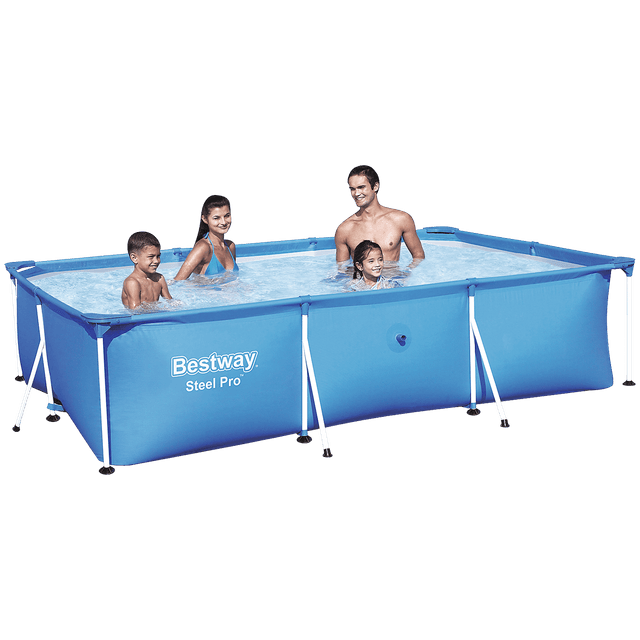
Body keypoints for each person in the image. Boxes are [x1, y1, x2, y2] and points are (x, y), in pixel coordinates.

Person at [335, 164, 425, 269]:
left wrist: (406, 275)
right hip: (363, 279)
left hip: (394, 277)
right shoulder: (345, 229)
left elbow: (419, 256)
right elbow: (342, 269)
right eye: (352, 189)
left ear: (375, 186)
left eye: (361, 187)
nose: (356, 193)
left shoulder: (401, 220)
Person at [174, 194, 238, 280]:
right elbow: (178, 281)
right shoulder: (203, 248)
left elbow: (232, 279)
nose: (223, 222)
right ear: (205, 219)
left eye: (227, 216)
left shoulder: (230, 246)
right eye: (216, 218)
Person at [122, 231, 172, 309]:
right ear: (134, 258)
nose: (156, 261)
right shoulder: (132, 282)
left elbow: (170, 302)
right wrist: (160, 309)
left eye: (158, 256)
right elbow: (135, 311)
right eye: (151, 257)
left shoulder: (159, 278)